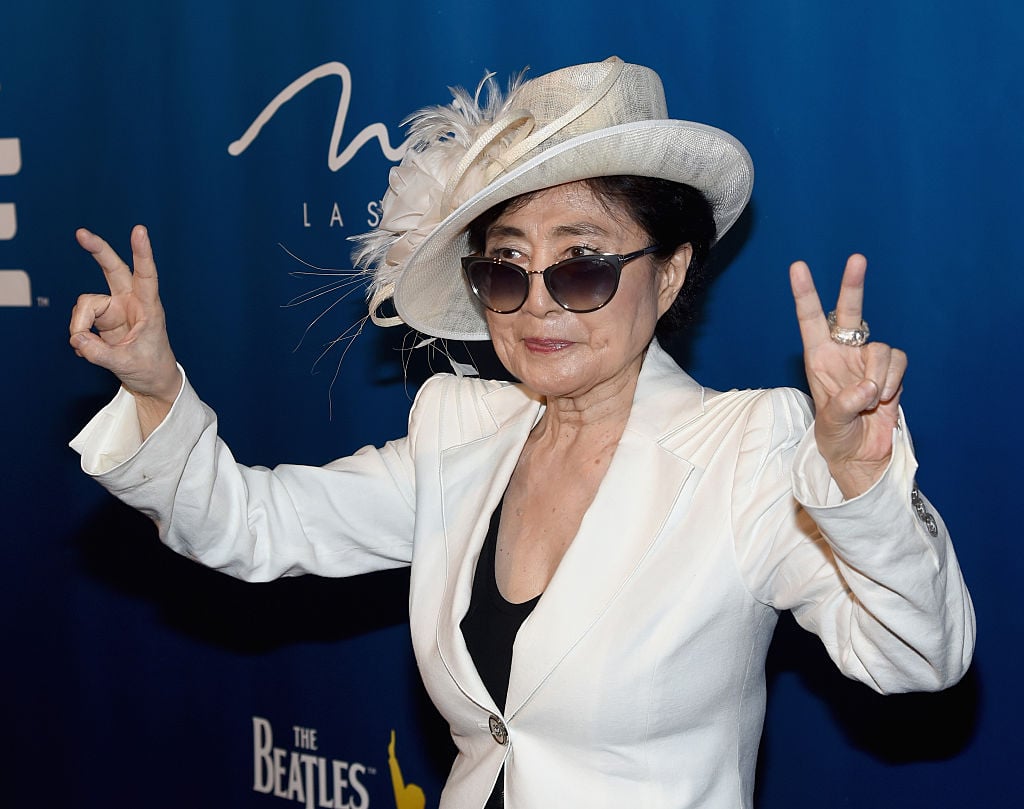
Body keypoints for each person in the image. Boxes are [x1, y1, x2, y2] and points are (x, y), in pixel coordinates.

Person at [69, 57, 974, 809]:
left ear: (668, 276)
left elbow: (917, 658)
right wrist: (156, 389)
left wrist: (859, 480)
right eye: (506, 269)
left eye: (580, 265)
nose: (538, 303)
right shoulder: (460, 430)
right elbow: (252, 523)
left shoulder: (748, 450)